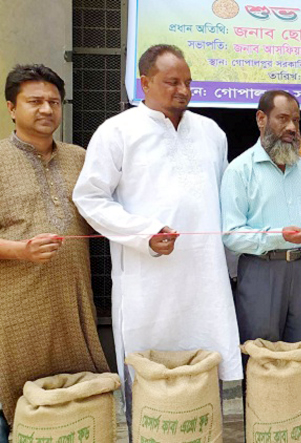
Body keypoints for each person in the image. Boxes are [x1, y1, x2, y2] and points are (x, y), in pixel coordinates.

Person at [72, 45, 242, 423]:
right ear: (145, 82)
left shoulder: (211, 133)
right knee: (147, 373)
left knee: (204, 369)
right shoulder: (117, 131)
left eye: (188, 82)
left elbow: (223, 202)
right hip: (147, 284)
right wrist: (144, 233)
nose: (183, 90)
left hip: (204, 279)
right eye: (172, 82)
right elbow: (90, 197)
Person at [0, 64, 109, 438]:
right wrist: (19, 250)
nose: (47, 109)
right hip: (15, 307)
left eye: (54, 101)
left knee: (77, 395)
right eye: (35, 101)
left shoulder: (79, 158)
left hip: (72, 301)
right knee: (20, 395)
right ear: (12, 108)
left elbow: (102, 215)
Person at [220, 90, 301, 402]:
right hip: (261, 272)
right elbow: (231, 235)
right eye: (283, 118)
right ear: (261, 119)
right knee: (262, 359)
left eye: (296, 120)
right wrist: (278, 237)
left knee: (299, 357)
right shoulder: (240, 170)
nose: (292, 127)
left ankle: (295, 427)